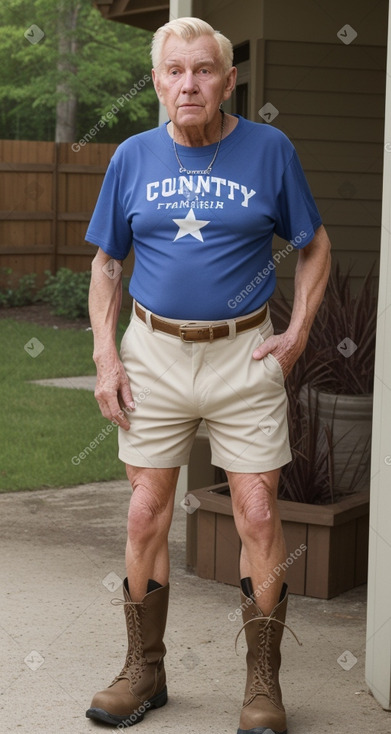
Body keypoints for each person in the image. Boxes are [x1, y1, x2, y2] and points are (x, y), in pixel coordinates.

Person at [85, 16, 331, 734]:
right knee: (143, 511)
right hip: (152, 354)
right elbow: (106, 264)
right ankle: (144, 670)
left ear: (227, 81)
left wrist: (296, 335)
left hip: (243, 353)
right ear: (157, 82)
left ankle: (261, 684)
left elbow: (312, 246)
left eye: (202, 70)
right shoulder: (131, 157)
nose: (187, 83)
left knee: (256, 513)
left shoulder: (269, 150)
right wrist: (106, 356)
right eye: (173, 71)